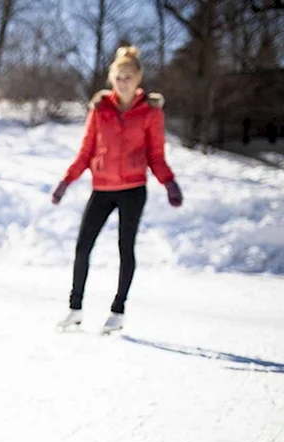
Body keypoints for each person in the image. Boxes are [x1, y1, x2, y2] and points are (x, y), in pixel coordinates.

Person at [51, 46, 183, 334]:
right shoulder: (101, 109)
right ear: (111, 78)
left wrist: (169, 182)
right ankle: (75, 308)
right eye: (118, 76)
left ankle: (118, 310)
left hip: (133, 189)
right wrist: (66, 181)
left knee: (126, 249)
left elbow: (156, 155)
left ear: (138, 78)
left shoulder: (150, 112)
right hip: (102, 188)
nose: (122, 81)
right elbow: (86, 150)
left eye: (128, 76)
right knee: (83, 247)